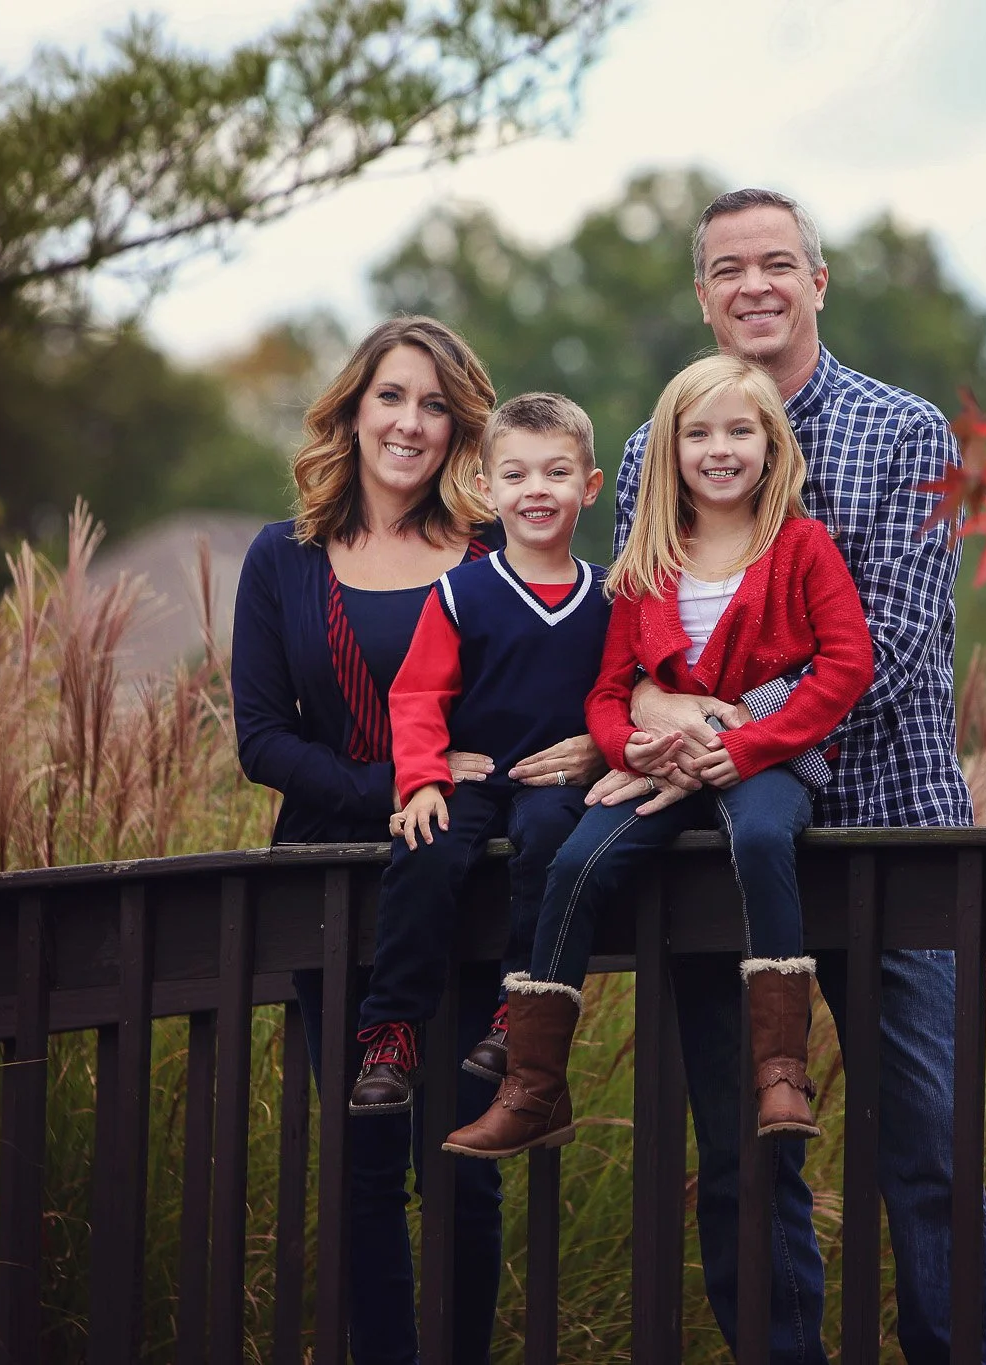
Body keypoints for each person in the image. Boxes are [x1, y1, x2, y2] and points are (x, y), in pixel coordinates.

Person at [590, 189, 986, 1363]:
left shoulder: (904, 432)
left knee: (923, 1147)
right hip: (715, 844)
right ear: (702, 297)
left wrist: (712, 729)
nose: (754, 286)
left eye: (778, 264)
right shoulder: (650, 450)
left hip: (891, 830)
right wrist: (646, 718)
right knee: (740, 1154)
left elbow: (897, 644)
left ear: (818, 283)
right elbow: (633, 646)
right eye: (728, 270)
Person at [231, 318, 601, 1364]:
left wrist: (585, 749)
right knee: (360, 1162)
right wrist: (399, 783)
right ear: (351, 410)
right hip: (330, 885)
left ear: (461, 431)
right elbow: (261, 737)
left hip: (476, 879)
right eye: (390, 396)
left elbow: (586, 677)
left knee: (466, 1164)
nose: (409, 422)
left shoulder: (501, 551)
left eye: (435, 404)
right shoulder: (285, 558)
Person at [443, 354, 873, 1161]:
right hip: (658, 771)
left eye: (740, 430)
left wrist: (744, 748)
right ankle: (534, 1085)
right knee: (575, 861)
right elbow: (608, 693)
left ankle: (782, 1067)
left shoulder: (802, 546)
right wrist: (630, 745)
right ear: (671, 452)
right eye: (698, 432)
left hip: (764, 767)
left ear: (772, 446)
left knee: (763, 839)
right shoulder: (650, 560)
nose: (721, 448)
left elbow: (846, 666)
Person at [346, 393, 611, 1116]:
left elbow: (622, 694)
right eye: (516, 475)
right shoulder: (461, 593)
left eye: (556, 473)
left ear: (589, 487)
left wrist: (607, 750)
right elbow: (417, 697)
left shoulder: (609, 599)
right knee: (425, 847)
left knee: (557, 839)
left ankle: (520, 1013)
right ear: (486, 488)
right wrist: (422, 781)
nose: (535, 491)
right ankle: (392, 1032)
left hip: (555, 778)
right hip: (474, 775)